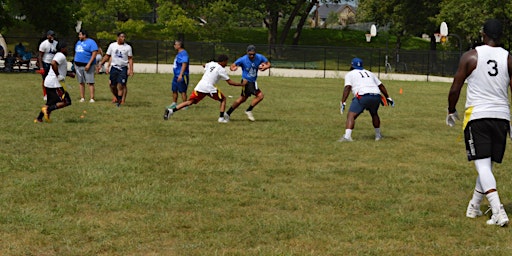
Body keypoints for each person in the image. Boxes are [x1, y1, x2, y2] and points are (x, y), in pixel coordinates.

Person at [446, 18, 512, 227]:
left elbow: (455, 87)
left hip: (478, 115)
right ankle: (474, 207)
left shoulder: (471, 56)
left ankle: (498, 210)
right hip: (502, 116)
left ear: (483, 34)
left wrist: (451, 109)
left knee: (482, 166)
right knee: (487, 166)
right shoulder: (508, 58)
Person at [163, 54, 244, 123]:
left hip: (200, 86)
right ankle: (221, 118)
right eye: (226, 61)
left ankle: (170, 111)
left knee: (190, 102)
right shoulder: (221, 70)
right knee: (223, 99)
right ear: (223, 61)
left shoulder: (212, 63)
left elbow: (204, 65)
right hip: (209, 87)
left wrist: (207, 68)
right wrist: (241, 84)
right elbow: (230, 82)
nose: (227, 63)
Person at [338, 57, 393, 142]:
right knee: (374, 114)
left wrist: (343, 101)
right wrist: (388, 97)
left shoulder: (350, 74)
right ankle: (378, 136)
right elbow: (381, 85)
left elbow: (348, 87)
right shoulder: (369, 73)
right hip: (376, 95)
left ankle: (347, 137)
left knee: (351, 115)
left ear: (352, 65)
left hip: (363, 96)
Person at [226, 45, 270, 121]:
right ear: (247, 53)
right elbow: (232, 65)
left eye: (253, 54)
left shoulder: (259, 57)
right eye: (250, 54)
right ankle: (248, 110)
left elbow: (268, 63)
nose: (252, 56)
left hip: (253, 81)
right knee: (260, 96)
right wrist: (233, 68)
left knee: (242, 99)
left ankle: (227, 113)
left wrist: (266, 67)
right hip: (246, 81)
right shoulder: (243, 59)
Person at [34, 42, 74, 123]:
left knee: (50, 102)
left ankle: (39, 119)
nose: (67, 49)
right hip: (54, 83)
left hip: (49, 82)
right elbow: (53, 63)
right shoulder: (61, 55)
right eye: (66, 48)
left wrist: (68, 74)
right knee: (66, 101)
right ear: (62, 49)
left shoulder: (58, 55)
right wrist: (58, 75)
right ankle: (48, 110)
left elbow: (57, 67)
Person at [97, 32, 134, 107]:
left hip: (123, 67)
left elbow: (130, 59)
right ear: (117, 37)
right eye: (121, 37)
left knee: (121, 85)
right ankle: (117, 97)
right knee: (112, 85)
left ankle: (119, 103)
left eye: (124, 37)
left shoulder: (128, 47)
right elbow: (107, 56)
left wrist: (131, 69)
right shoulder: (112, 46)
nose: (123, 38)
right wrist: (101, 64)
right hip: (114, 67)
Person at [74, 29, 98, 103]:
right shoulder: (78, 42)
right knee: (81, 82)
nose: (79, 36)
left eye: (80, 35)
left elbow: (94, 54)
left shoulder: (91, 42)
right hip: (78, 65)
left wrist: (89, 64)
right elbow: (76, 52)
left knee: (90, 82)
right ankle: (82, 97)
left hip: (87, 65)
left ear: (84, 35)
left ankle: (92, 98)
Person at [167, 40, 189, 108]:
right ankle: (174, 103)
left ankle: (185, 105)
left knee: (182, 90)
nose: (174, 46)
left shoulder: (184, 53)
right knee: (174, 89)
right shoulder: (179, 53)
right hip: (176, 75)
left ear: (179, 45)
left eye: (175, 44)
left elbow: (184, 64)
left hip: (180, 75)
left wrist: (180, 74)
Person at [38, 30, 58, 101]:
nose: (52, 37)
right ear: (48, 36)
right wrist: (41, 67)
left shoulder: (56, 43)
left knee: (55, 78)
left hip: (54, 63)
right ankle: (45, 94)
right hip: (46, 62)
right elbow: (40, 56)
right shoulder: (44, 44)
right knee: (45, 80)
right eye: (51, 35)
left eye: (53, 35)